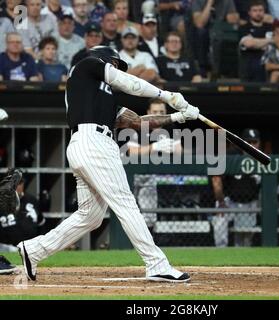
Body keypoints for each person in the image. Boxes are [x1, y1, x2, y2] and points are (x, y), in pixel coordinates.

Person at [17, 45, 199, 282]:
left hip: (90, 145)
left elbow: (137, 122)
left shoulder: (103, 95)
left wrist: (179, 116)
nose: (115, 68)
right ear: (103, 59)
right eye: (114, 63)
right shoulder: (86, 66)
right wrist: (168, 96)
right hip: (93, 142)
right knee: (125, 203)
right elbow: (129, 82)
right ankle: (156, 264)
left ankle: (33, 250)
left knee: (90, 216)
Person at [121, 98, 183, 231]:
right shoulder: (138, 125)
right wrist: (155, 146)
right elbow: (132, 152)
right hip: (131, 175)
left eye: (162, 111)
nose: (159, 114)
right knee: (126, 212)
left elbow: (180, 152)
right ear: (149, 112)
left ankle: (149, 237)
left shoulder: (170, 127)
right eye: (155, 111)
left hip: (157, 176)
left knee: (148, 216)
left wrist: (171, 147)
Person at [211, 128, 261, 247]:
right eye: (248, 142)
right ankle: (220, 251)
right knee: (220, 221)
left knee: (244, 240)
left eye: (255, 142)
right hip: (230, 201)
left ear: (259, 143)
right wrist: (221, 201)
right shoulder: (231, 156)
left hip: (250, 203)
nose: (252, 145)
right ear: (242, 143)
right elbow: (216, 178)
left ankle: (242, 262)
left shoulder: (263, 159)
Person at [191, 0, 239, 77]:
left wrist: (233, 16)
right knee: (201, 32)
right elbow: (200, 23)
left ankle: (227, 70)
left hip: (220, 29)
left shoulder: (227, 1)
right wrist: (209, 3)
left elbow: (232, 20)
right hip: (204, 30)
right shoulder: (197, 1)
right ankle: (203, 67)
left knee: (230, 34)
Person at [239, 0, 273, 82]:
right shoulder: (244, 28)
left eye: (260, 10)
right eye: (255, 11)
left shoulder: (270, 27)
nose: (258, 13)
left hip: (269, 62)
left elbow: (276, 42)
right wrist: (270, 40)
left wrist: (257, 42)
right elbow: (249, 44)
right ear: (249, 13)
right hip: (249, 64)